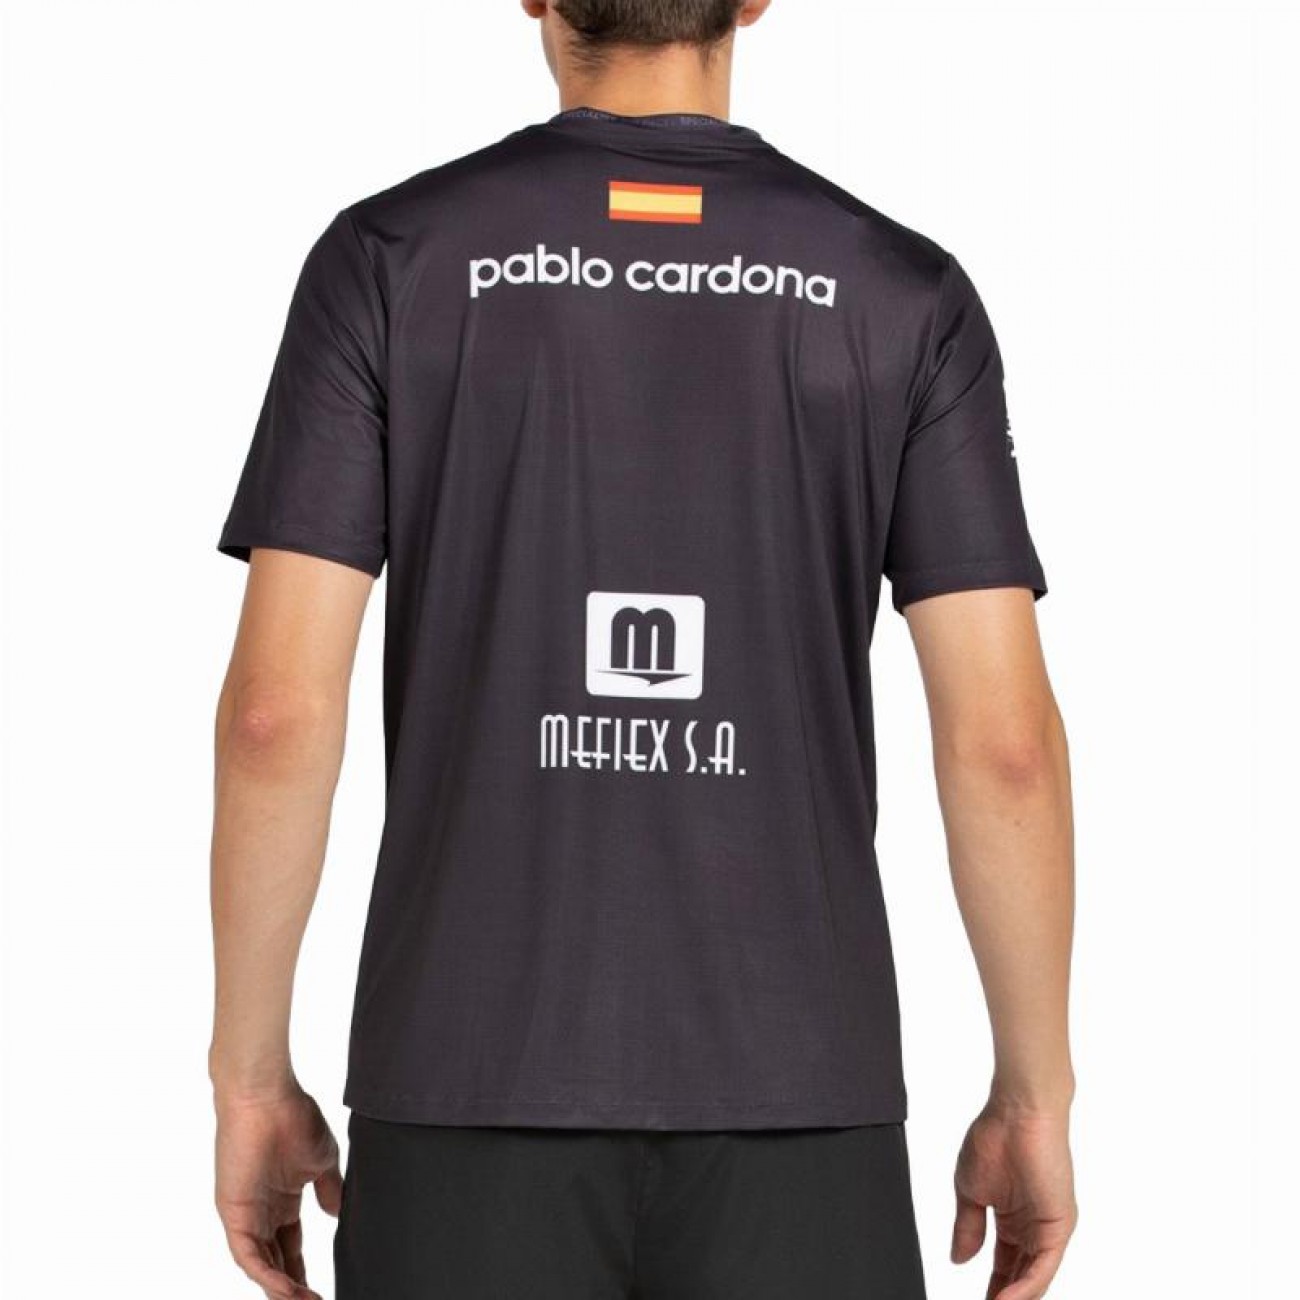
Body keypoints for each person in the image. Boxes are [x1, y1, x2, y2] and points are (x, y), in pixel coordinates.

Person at [207, 2, 1078, 1298]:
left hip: (463, 1091)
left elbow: (274, 716)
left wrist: (248, 1076)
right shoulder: (903, 292)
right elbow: (1005, 747)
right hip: (801, 1105)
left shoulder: (389, 262)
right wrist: (1033, 1095)